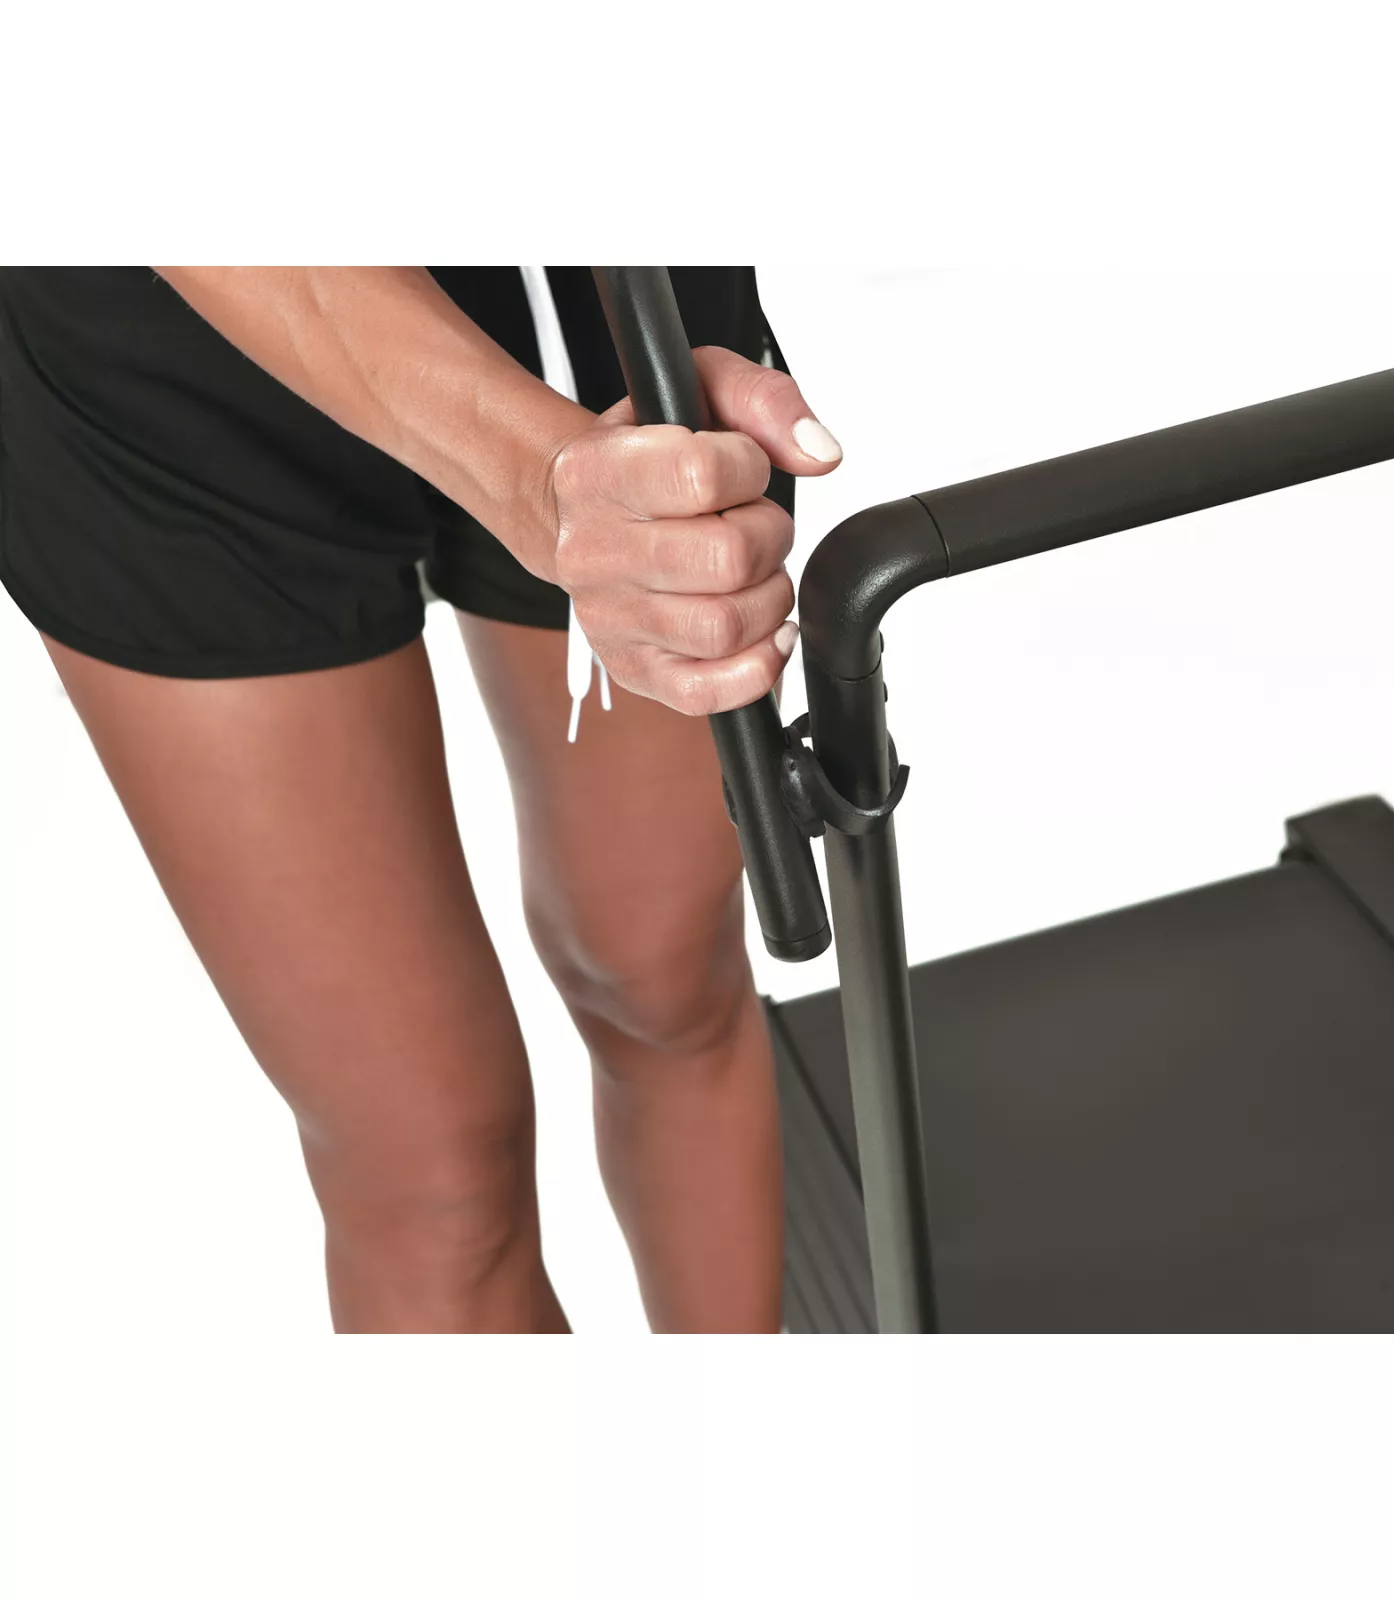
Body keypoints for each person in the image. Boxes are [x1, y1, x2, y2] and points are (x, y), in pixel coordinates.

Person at [0, 266, 845, 1333]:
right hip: (167, 332)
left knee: (661, 982)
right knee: (434, 1173)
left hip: (579, 271)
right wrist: (538, 481)